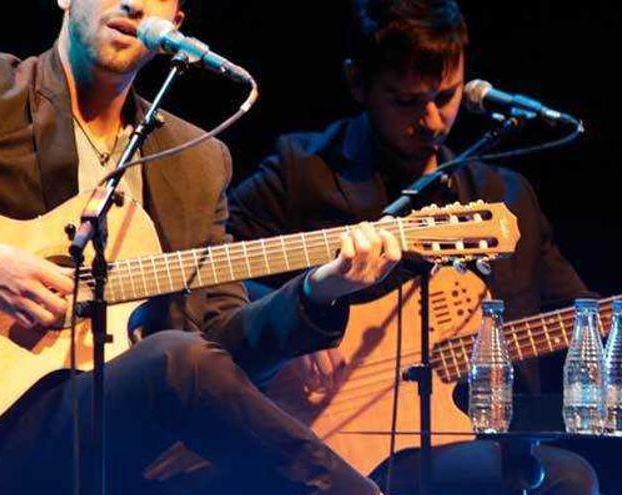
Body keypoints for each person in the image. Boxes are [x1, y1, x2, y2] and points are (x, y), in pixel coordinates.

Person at [0, 0, 404, 493]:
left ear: (175, 23)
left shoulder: (198, 161)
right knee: (174, 360)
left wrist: (319, 293)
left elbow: (221, 344)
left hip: (118, 439)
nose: (131, 4)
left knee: (184, 361)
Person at [227, 0, 600, 494]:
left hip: (471, 438)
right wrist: (290, 320)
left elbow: (581, 313)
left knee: (566, 477)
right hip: (317, 439)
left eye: (445, 96)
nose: (430, 119)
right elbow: (210, 268)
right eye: (405, 101)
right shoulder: (302, 172)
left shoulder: (505, 197)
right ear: (358, 82)